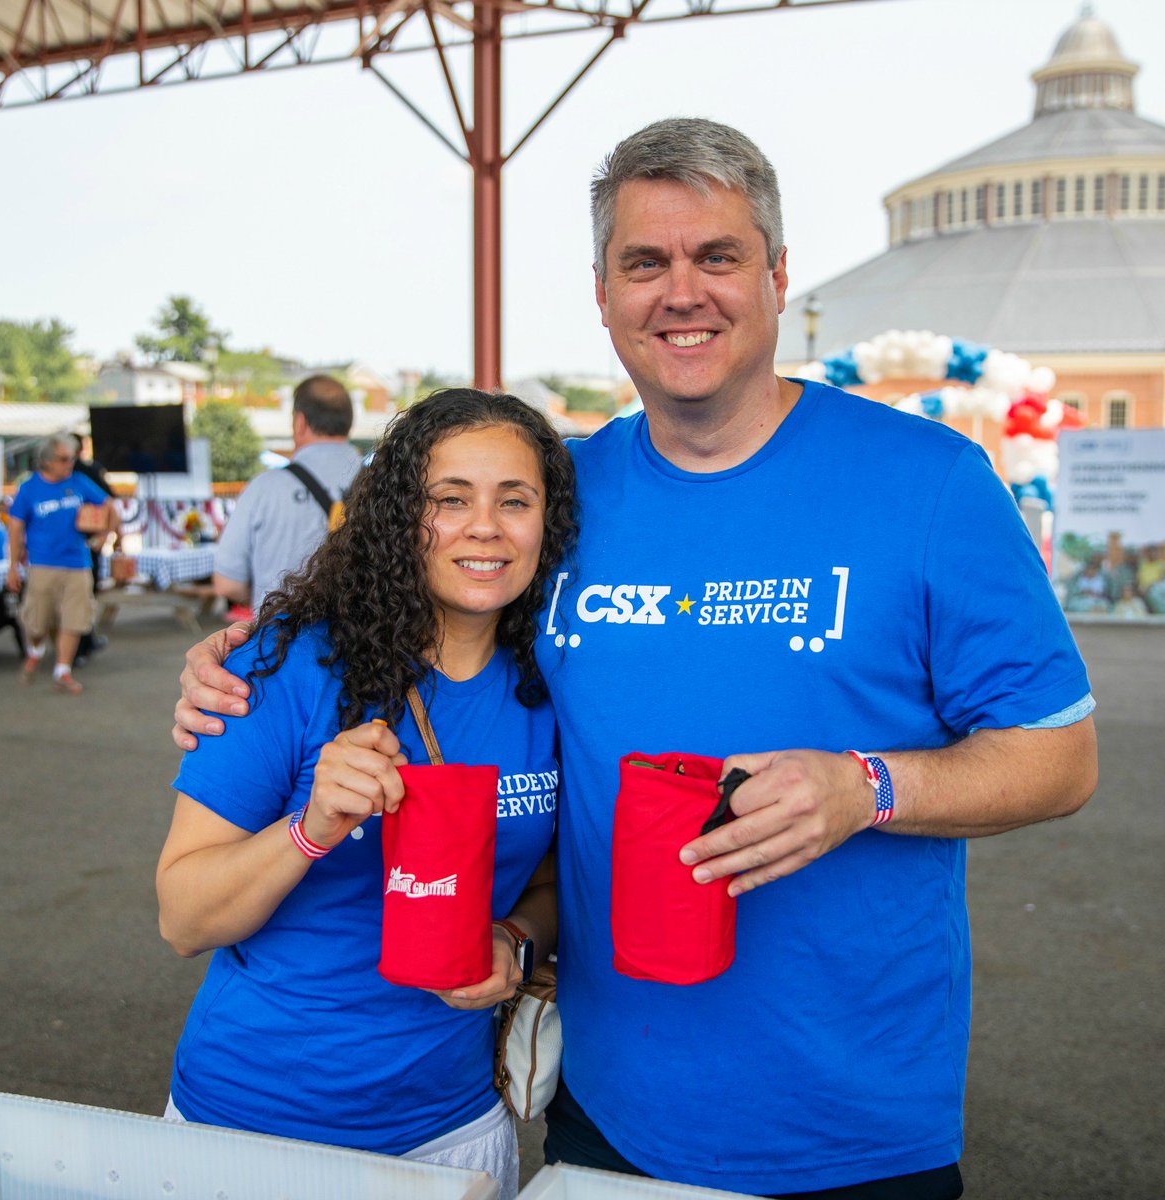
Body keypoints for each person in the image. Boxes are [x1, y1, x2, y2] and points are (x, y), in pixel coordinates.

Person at [172, 119, 1098, 1199]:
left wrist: (869, 786)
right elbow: (385, 589)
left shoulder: (930, 483)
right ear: (603, 292)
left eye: (718, 256)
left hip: (851, 1125)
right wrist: (240, 655)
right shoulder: (558, 495)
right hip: (607, 1113)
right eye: (645, 262)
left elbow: (1061, 757)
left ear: (777, 275)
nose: (682, 292)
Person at [157, 389, 576, 1200]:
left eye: (513, 500)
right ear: (396, 516)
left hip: (453, 1126)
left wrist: (518, 939)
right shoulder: (285, 669)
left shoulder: (553, 687)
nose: (484, 526)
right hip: (250, 1124)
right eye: (449, 499)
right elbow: (183, 917)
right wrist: (309, 828)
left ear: (546, 525)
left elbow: (554, 879)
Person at [212, 374, 364, 614]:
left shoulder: (264, 488)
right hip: (368, 641)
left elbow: (227, 584)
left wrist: (263, 591)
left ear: (299, 422)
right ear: (348, 423)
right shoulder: (382, 483)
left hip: (280, 641)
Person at [7, 435, 120, 696]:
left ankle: (63, 671)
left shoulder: (78, 482)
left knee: (74, 618)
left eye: (71, 458)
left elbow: (110, 505)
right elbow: (15, 527)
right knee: (36, 621)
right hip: (42, 564)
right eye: (64, 459)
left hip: (77, 563)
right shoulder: (29, 489)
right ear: (47, 461)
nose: (70, 463)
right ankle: (36, 648)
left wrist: (104, 535)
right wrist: (12, 566)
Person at [68, 434, 117, 668]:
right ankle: (82, 645)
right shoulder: (88, 471)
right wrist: (105, 535)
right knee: (86, 598)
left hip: (73, 546)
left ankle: (75, 647)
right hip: (88, 544)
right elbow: (110, 499)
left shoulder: (61, 475)